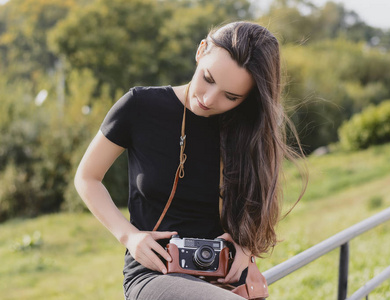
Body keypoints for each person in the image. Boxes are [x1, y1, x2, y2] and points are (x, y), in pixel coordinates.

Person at [74, 21, 307, 300]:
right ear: (201, 51)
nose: (209, 99)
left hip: (226, 277)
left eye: (231, 96)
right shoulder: (139, 106)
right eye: (208, 79)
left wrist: (244, 248)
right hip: (156, 273)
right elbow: (87, 177)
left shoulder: (248, 130)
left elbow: (258, 201)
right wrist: (129, 236)